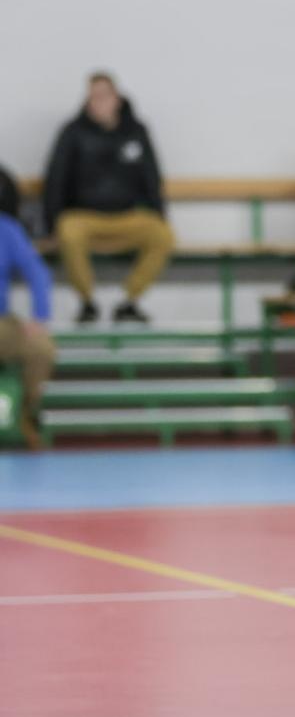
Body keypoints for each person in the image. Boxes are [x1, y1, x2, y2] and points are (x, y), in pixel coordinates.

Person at [43, 72, 174, 324]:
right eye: (92, 97)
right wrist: (51, 224)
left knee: (162, 234)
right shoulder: (72, 132)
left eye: (103, 96)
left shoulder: (136, 131)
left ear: (116, 98)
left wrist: (160, 213)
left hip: (127, 216)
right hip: (84, 217)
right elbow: (55, 179)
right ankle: (87, 302)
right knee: (68, 231)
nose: (98, 102)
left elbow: (151, 176)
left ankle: (129, 301)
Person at [0, 178, 54, 450]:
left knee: (40, 347)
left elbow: (38, 272)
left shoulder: (7, 229)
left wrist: (39, 315)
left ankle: (24, 417)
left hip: (1, 324)